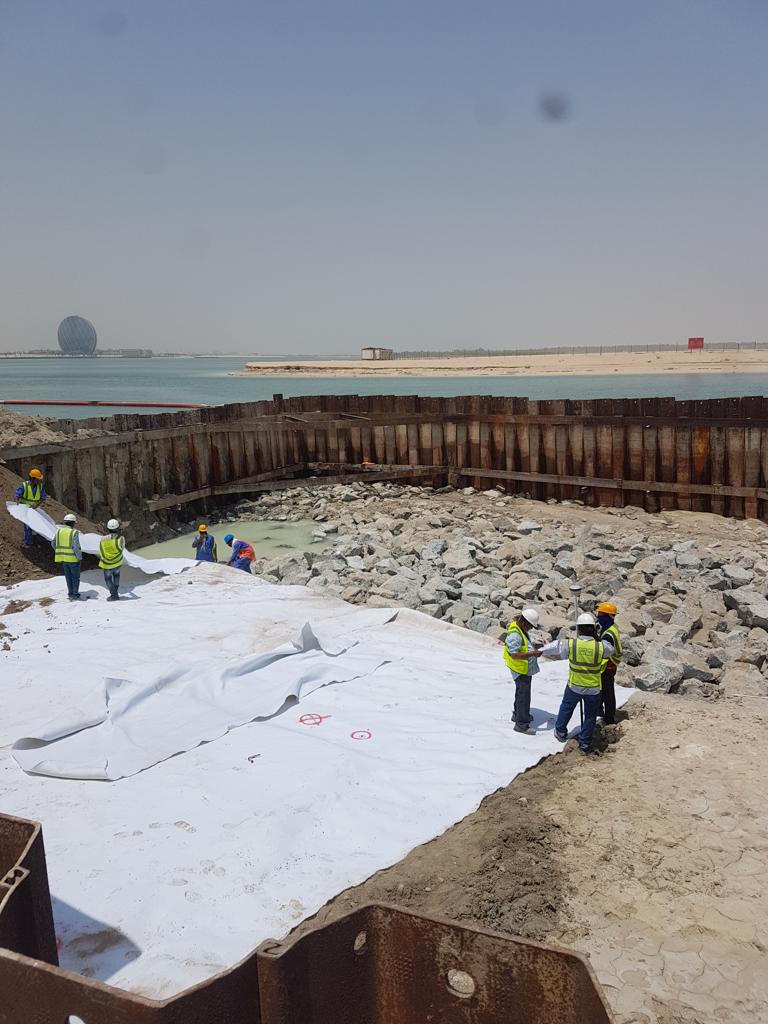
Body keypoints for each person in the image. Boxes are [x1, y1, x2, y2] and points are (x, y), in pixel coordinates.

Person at [539, 612, 615, 754]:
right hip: (593, 688)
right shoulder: (601, 647)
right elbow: (611, 650)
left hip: (575, 685)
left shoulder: (571, 644)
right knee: (590, 716)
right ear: (594, 628)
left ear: (579, 629)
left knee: (566, 707)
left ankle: (560, 731)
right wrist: (597, 637)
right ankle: (585, 743)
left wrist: (538, 651)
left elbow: (555, 647)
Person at [503, 608, 542, 734]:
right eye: (530, 626)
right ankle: (521, 724)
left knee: (520, 693)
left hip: (522, 668)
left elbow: (523, 646)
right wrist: (532, 654)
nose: (530, 629)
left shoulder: (520, 629)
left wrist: (534, 647)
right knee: (523, 696)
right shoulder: (515, 634)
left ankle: (518, 714)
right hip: (520, 669)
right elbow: (514, 654)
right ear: (524, 622)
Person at [597, 601, 623, 725]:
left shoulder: (608, 634)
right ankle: (601, 712)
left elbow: (604, 651)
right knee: (605, 691)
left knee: (608, 694)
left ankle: (609, 718)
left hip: (608, 666)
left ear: (608, 616)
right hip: (609, 665)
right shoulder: (611, 627)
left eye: (601, 615)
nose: (598, 617)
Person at [52, 513, 83, 600]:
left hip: (63, 559)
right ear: (73, 523)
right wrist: (79, 557)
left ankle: (70, 593)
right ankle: (75, 594)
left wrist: (59, 551)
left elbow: (53, 543)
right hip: (73, 559)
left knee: (68, 577)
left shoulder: (59, 531)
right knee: (75, 577)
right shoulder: (74, 532)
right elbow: (75, 546)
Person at [15, 468, 47, 547]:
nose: (39, 481)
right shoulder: (24, 485)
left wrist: (36, 506)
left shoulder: (40, 487)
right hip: (25, 509)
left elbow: (43, 498)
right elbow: (17, 496)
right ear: (33, 479)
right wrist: (18, 507)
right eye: (38, 479)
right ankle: (28, 542)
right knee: (27, 526)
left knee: (39, 524)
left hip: (34, 509)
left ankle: (39, 540)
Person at [99, 518, 125, 601]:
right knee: (116, 576)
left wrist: (107, 558)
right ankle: (115, 592)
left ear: (108, 528)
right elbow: (121, 549)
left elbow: (101, 551)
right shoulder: (121, 538)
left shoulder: (103, 539)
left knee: (108, 579)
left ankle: (114, 595)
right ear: (117, 528)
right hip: (117, 562)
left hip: (107, 564)